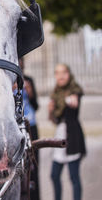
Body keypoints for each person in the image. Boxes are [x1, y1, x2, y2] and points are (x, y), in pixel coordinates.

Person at [48, 63, 86, 200]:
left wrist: (71, 100)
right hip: (60, 136)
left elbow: (75, 101)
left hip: (73, 137)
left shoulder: (74, 89)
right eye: (57, 73)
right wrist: (51, 111)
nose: (60, 76)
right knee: (54, 175)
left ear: (68, 74)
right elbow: (54, 120)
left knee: (74, 176)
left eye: (63, 72)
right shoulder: (55, 93)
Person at [19, 58, 40, 200]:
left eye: (22, 60)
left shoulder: (29, 80)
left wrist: (30, 92)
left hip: (31, 125)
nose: (20, 63)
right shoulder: (8, 79)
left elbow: (36, 105)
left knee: (34, 164)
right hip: (17, 126)